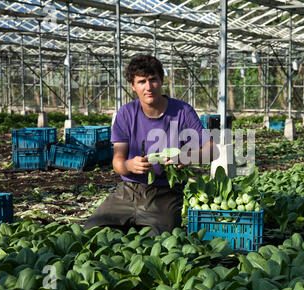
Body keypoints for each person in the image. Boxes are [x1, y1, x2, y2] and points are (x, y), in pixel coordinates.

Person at [84, 54, 216, 236]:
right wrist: (129, 165)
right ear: (133, 85)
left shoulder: (183, 112)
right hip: (128, 190)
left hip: (166, 192)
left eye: (153, 80)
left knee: (162, 242)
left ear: (161, 80)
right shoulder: (126, 113)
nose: (148, 87)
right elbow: (118, 161)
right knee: (91, 232)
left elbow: (211, 150)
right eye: (141, 81)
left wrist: (186, 156)